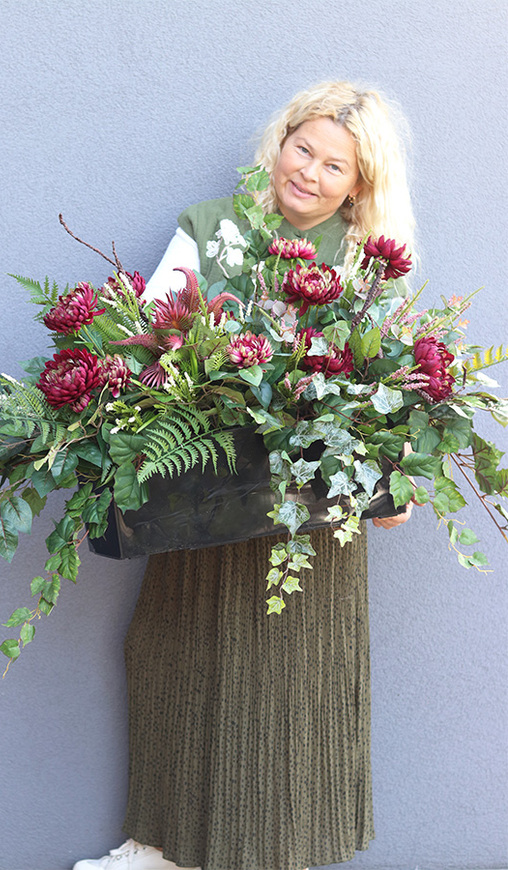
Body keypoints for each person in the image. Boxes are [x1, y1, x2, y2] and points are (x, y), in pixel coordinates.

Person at [73, 80, 416, 870]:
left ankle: (283, 852)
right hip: (201, 498)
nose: (310, 173)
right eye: (304, 149)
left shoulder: (366, 265)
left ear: (357, 185)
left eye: (336, 167)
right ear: (281, 141)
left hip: (310, 521)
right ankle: (159, 849)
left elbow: (391, 390)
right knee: (174, 657)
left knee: (291, 688)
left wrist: (395, 477)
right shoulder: (211, 227)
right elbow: (146, 340)